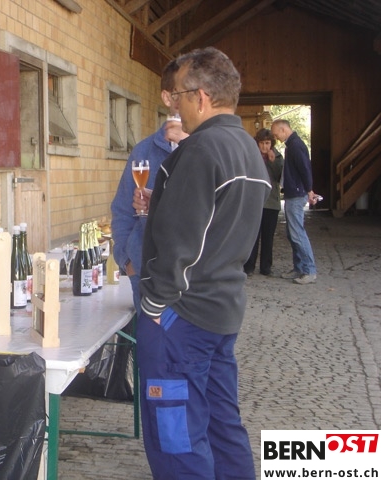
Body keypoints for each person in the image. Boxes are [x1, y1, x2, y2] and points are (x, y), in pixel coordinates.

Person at [137, 47, 271, 479]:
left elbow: (182, 242)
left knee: (176, 436)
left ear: (201, 97)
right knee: (221, 425)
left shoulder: (201, 149)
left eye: (177, 96)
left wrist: (154, 305)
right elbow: (218, 223)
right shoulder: (247, 147)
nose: (174, 106)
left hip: (182, 316)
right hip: (221, 309)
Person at [110, 60, 187, 315]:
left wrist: (190, 144)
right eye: (183, 92)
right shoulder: (144, 151)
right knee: (150, 341)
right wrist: (128, 261)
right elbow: (122, 209)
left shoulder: (208, 150)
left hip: (194, 283)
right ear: (167, 97)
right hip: (147, 277)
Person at [271, 119, 318, 285]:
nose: (276, 137)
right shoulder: (292, 145)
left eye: (276, 134)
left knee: (297, 233)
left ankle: (309, 270)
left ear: (283, 130)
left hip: (296, 195)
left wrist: (309, 190)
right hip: (294, 193)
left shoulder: (296, 146)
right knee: (293, 234)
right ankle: (299, 267)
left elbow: (305, 169)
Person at [244, 128, 283, 276]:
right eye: (262, 143)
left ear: (271, 143)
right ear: (257, 143)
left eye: (267, 143)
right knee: (252, 236)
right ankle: (249, 266)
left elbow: (280, 177)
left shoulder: (278, 157)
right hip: (254, 200)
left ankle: (266, 267)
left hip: (271, 202)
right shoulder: (251, 155)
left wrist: (273, 162)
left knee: (268, 237)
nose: (265, 147)